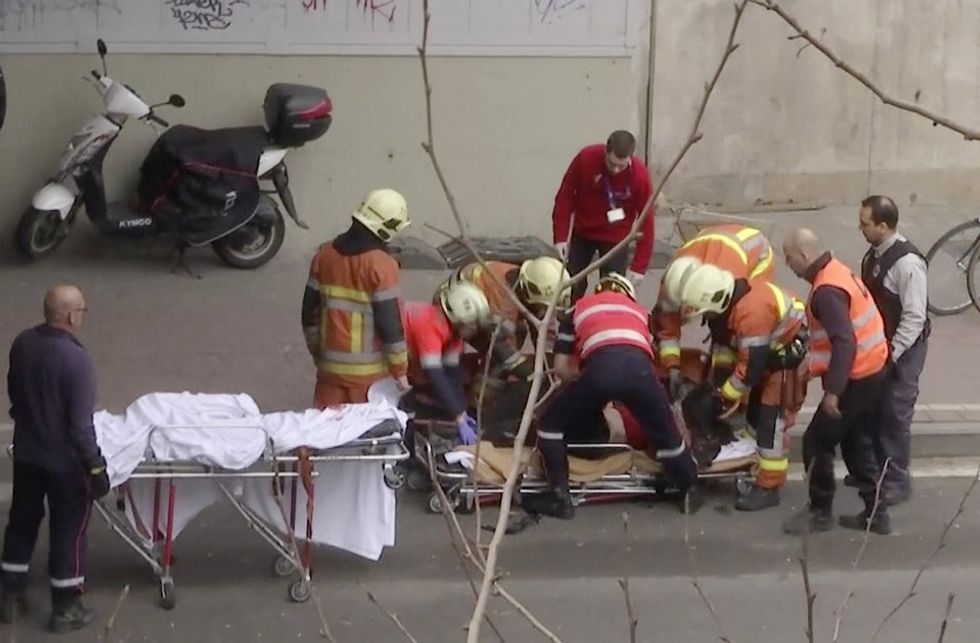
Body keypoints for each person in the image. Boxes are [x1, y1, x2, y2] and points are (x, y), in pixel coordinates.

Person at [523, 273, 699, 519]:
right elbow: (645, 352)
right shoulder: (640, 313)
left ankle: (559, 496)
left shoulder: (577, 310)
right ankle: (688, 488)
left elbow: (562, 369)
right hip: (641, 372)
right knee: (666, 433)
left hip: (600, 371)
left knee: (550, 425)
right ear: (628, 295)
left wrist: (584, 382)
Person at [1, 285, 111, 633]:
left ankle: (9, 595)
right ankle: (65, 606)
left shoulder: (23, 343)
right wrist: (96, 467)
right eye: (82, 310)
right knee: (69, 530)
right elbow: (80, 427)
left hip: (28, 454)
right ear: (71, 316)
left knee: (21, 521)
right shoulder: (77, 360)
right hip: (64, 464)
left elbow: (15, 392)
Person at [780, 229, 892, 535]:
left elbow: (845, 342)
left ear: (803, 255)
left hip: (855, 380)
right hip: (873, 371)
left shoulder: (826, 291)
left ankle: (820, 512)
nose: (787, 265)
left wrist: (833, 392)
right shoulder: (837, 271)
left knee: (817, 441)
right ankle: (876, 513)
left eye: (789, 258)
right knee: (856, 443)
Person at [677, 266, 807, 511]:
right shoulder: (732, 303)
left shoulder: (751, 313)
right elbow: (736, 352)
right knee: (756, 414)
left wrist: (723, 396)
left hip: (785, 359)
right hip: (771, 353)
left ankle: (769, 487)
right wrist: (719, 387)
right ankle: (752, 459)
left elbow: (750, 368)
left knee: (770, 422)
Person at [302, 188, 411, 408]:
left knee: (324, 426)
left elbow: (309, 315)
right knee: (365, 429)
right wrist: (401, 372)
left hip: (329, 373)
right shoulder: (382, 266)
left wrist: (319, 355)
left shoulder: (324, 256)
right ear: (386, 228)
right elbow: (390, 324)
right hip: (369, 381)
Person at [858, 195, 929, 506]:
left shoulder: (907, 265)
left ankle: (897, 481)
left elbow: (914, 317)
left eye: (865, 224)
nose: (860, 228)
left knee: (895, 413)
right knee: (874, 408)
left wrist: (892, 354)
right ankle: (877, 470)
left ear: (883, 226)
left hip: (903, 349)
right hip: (881, 346)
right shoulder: (874, 255)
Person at [653, 224, 775, 400]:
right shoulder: (672, 284)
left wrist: (727, 388)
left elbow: (726, 318)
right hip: (718, 244)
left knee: (737, 324)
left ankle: (732, 380)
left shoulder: (727, 279)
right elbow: (667, 328)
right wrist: (672, 366)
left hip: (757, 258)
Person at [551, 130, 653, 302]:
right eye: (611, 163)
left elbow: (647, 220)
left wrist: (639, 266)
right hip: (583, 232)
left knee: (611, 291)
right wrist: (560, 236)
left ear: (630, 158)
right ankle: (568, 317)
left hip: (616, 239)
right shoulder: (586, 159)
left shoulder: (640, 177)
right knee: (571, 284)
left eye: (621, 166)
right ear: (606, 151)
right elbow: (565, 197)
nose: (615, 170)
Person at [438, 256, 570, 380]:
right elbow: (499, 342)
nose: (547, 311)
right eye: (544, 306)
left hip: (481, 306)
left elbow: (543, 328)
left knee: (514, 339)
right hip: (454, 307)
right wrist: (523, 369)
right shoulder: (504, 300)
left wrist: (550, 362)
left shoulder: (529, 286)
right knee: (500, 357)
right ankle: (482, 391)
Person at [401, 282, 493, 445]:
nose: (474, 332)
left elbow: (452, 374)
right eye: (473, 326)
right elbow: (436, 375)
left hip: (410, 362)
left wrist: (462, 411)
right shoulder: (429, 322)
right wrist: (458, 418)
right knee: (406, 406)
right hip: (392, 362)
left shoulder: (454, 332)